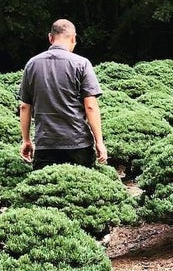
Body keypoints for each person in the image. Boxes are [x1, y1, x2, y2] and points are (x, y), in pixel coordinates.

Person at [18, 19, 108, 168]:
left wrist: (26, 140)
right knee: (81, 188)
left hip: (45, 144)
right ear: (74, 38)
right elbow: (90, 106)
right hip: (78, 143)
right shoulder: (82, 63)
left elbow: (24, 107)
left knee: (45, 188)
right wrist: (99, 142)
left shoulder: (32, 64)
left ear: (50, 37)